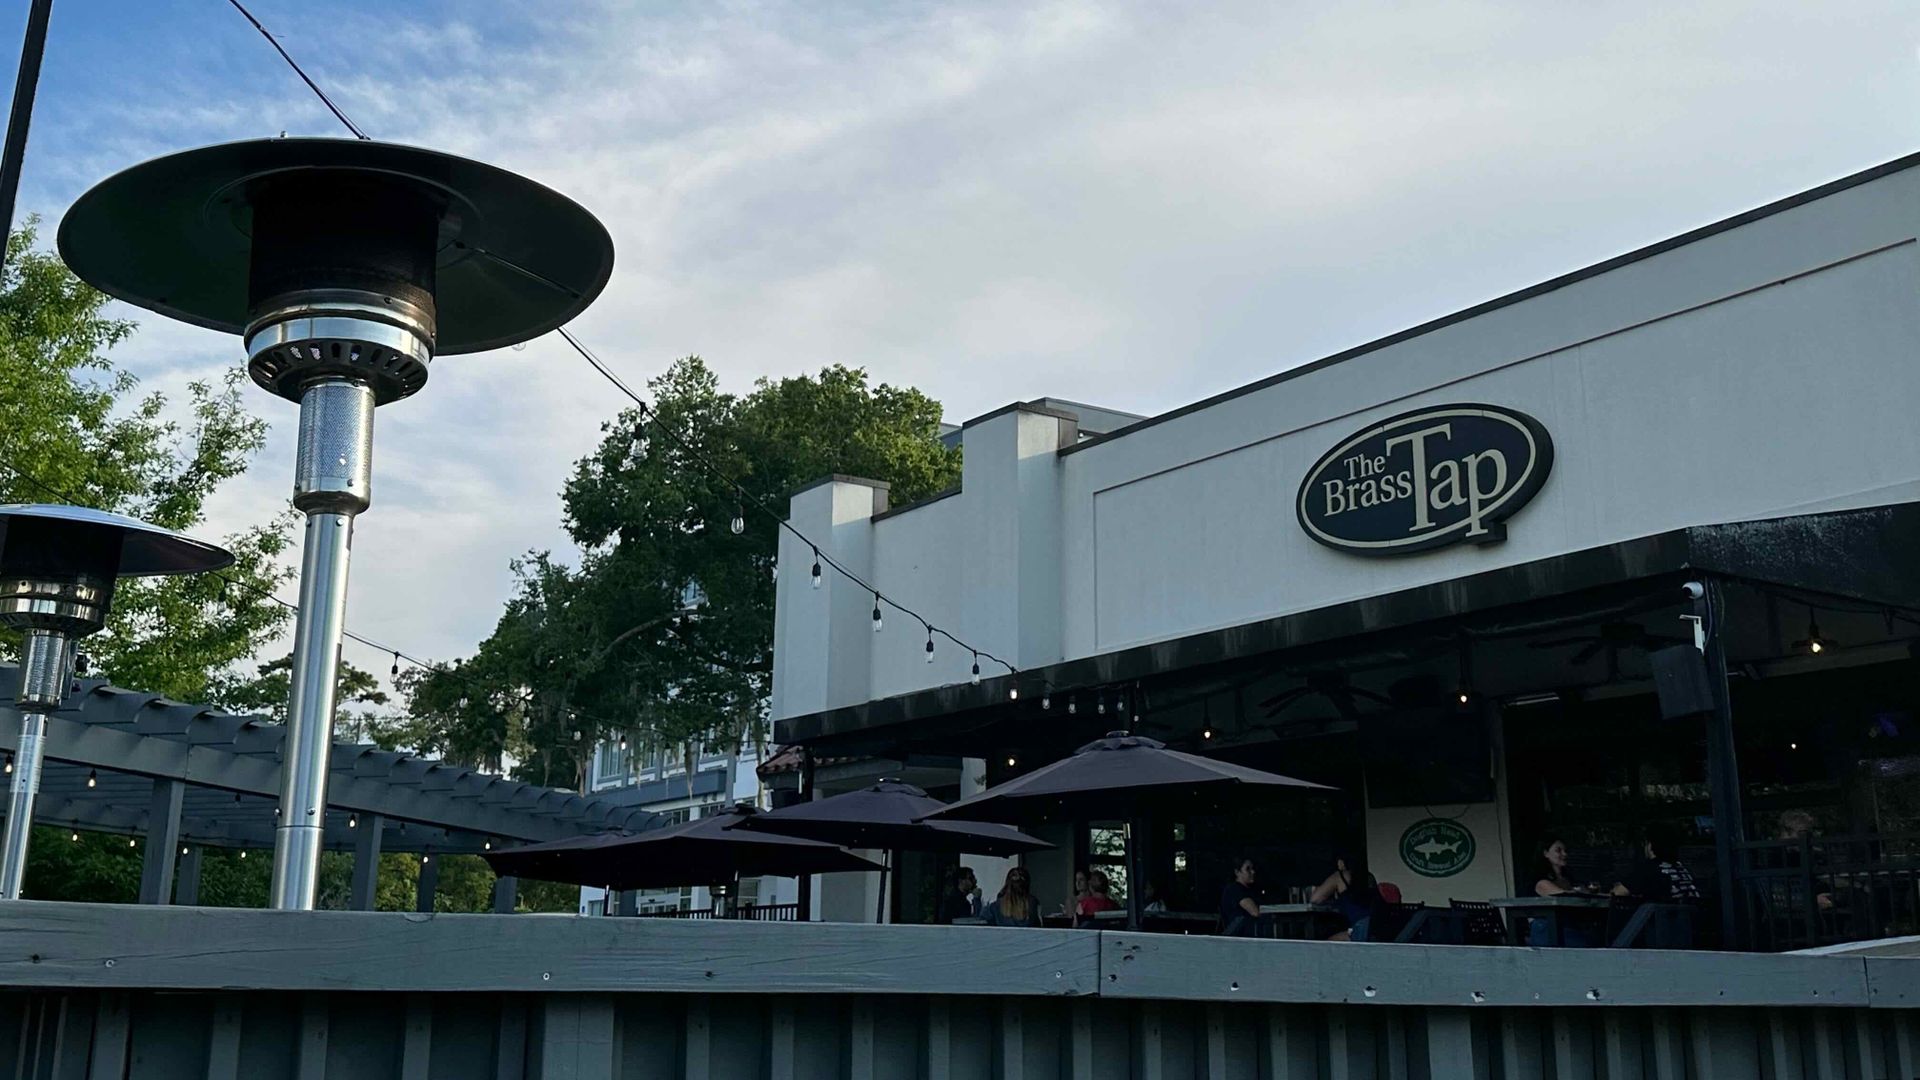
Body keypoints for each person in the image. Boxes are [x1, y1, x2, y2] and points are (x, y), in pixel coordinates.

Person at [1527, 836, 1600, 946]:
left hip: (1569, 927)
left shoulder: (1567, 879)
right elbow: (1563, 896)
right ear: (1546, 853)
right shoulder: (1541, 881)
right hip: (1548, 930)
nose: (1564, 854)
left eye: (1565, 851)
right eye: (1558, 850)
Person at [1613, 824, 1701, 904]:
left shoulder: (1649, 868)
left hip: (1663, 919)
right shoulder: (1681, 868)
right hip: (1688, 919)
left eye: (1645, 843)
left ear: (1650, 845)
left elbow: (1618, 893)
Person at [1309, 852, 1378, 942]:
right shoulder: (1369, 877)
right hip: (1377, 924)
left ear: (1341, 862)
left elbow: (1315, 899)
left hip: (1360, 926)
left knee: (1328, 943)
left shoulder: (1340, 876)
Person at [1219, 856, 1261, 937]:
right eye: (1248, 869)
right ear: (1237, 872)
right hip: (1238, 938)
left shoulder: (1250, 890)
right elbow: (1254, 912)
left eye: (1252, 868)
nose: (1252, 872)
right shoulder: (1235, 890)